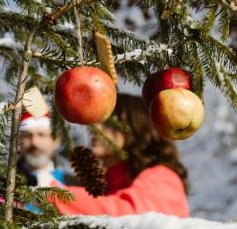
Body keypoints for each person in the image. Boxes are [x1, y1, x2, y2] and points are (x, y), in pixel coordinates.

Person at [48, 93, 189, 217]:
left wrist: (55, 195)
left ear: (134, 129)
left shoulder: (163, 178)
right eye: (96, 122)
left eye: (108, 123)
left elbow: (128, 214)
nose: (95, 129)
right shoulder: (107, 185)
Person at [18, 111, 77, 187]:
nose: (34, 142)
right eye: (27, 135)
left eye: (41, 135)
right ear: (18, 140)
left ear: (56, 140)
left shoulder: (72, 184)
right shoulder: (5, 183)